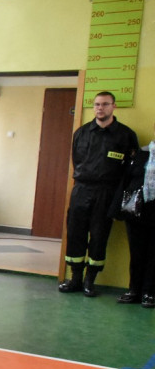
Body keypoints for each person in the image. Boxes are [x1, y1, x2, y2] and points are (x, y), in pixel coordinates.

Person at [59, 91, 138, 296]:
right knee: (75, 233)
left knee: (99, 235)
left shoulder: (125, 135)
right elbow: (76, 160)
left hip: (107, 192)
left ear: (114, 106)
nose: (99, 108)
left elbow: (131, 167)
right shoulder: (82, 132)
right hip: (82, 189)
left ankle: (89, 281)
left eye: (104, 104)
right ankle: (74, 278)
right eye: (96, 104)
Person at [113, 122, 155, 307]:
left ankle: (149, 293)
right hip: (137, 212)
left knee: (154, 255)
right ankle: (134, 290)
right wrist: (116, 209)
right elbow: (126, 181)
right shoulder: (141, 154)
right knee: (136, 254)